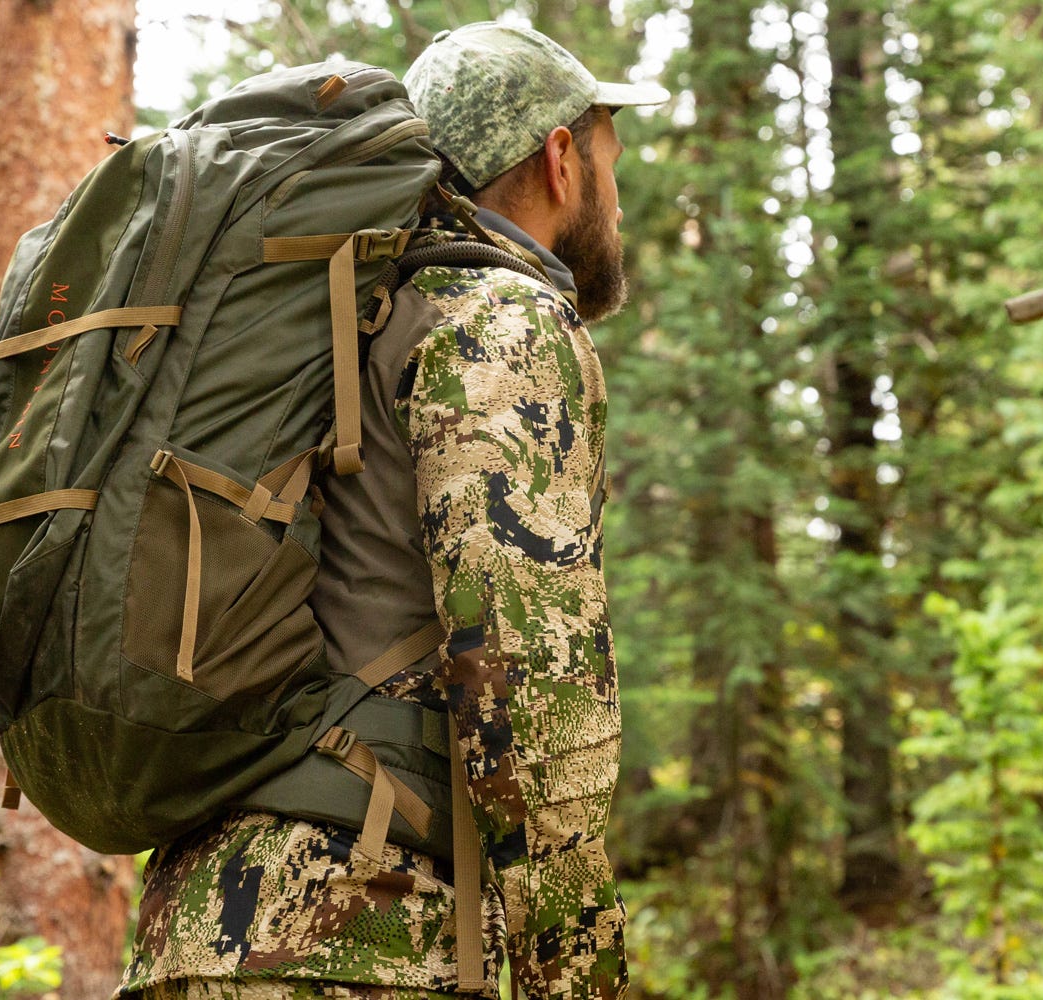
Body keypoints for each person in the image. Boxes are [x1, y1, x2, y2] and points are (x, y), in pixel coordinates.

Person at [115, 23, 667, 1000]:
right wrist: (577, 978)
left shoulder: (329, 328)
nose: (617, 204)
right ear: (561, 155)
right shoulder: (497, 321)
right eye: (612, 165)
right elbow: (530, 679)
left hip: (191, 929)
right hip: (358, 934)